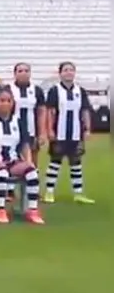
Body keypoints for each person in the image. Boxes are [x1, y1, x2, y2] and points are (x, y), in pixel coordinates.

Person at [0, 87, 45, 224]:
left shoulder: (18, 121)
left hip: (12, 161)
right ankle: (1, 209)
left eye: (8, 101)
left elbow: (25, 144)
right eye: (2, 100)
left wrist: (28, 161)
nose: (5, 104)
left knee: (32, 172)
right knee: (1, 172)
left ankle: (32, 210)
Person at [43, 61, 94, 204]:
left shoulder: (80, 91)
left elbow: (85, 111)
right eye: (65, 70)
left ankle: (78, 194)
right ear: (60, 73)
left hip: (76, 133)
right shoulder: (55, 90)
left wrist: (88, 129)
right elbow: (50, 112)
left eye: (71, 70)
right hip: (59, 133)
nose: (69, 72)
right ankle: (49, 192)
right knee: (55, 163)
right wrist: (49, 129)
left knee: (76, 164)